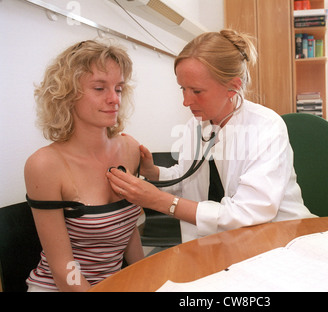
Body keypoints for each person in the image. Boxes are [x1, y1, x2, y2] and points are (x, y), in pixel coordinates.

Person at [107, 29, 315, 243]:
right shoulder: (195, 126)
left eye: (196, 91)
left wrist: (161, 202)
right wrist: (154, 172)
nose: (186, 102)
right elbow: (187, 177)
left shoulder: (266, 127)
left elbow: (248, 212)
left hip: (281, 240)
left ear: (232, 87)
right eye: (183, 89)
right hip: (222, 243)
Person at [24, 40, 144, 292]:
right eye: (100, 88)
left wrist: (149, 280)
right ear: (67, 94)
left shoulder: (130, 149)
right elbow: (62, 268)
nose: (114, 99)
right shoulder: (44, 165)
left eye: (119, 89)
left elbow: (126, 230)